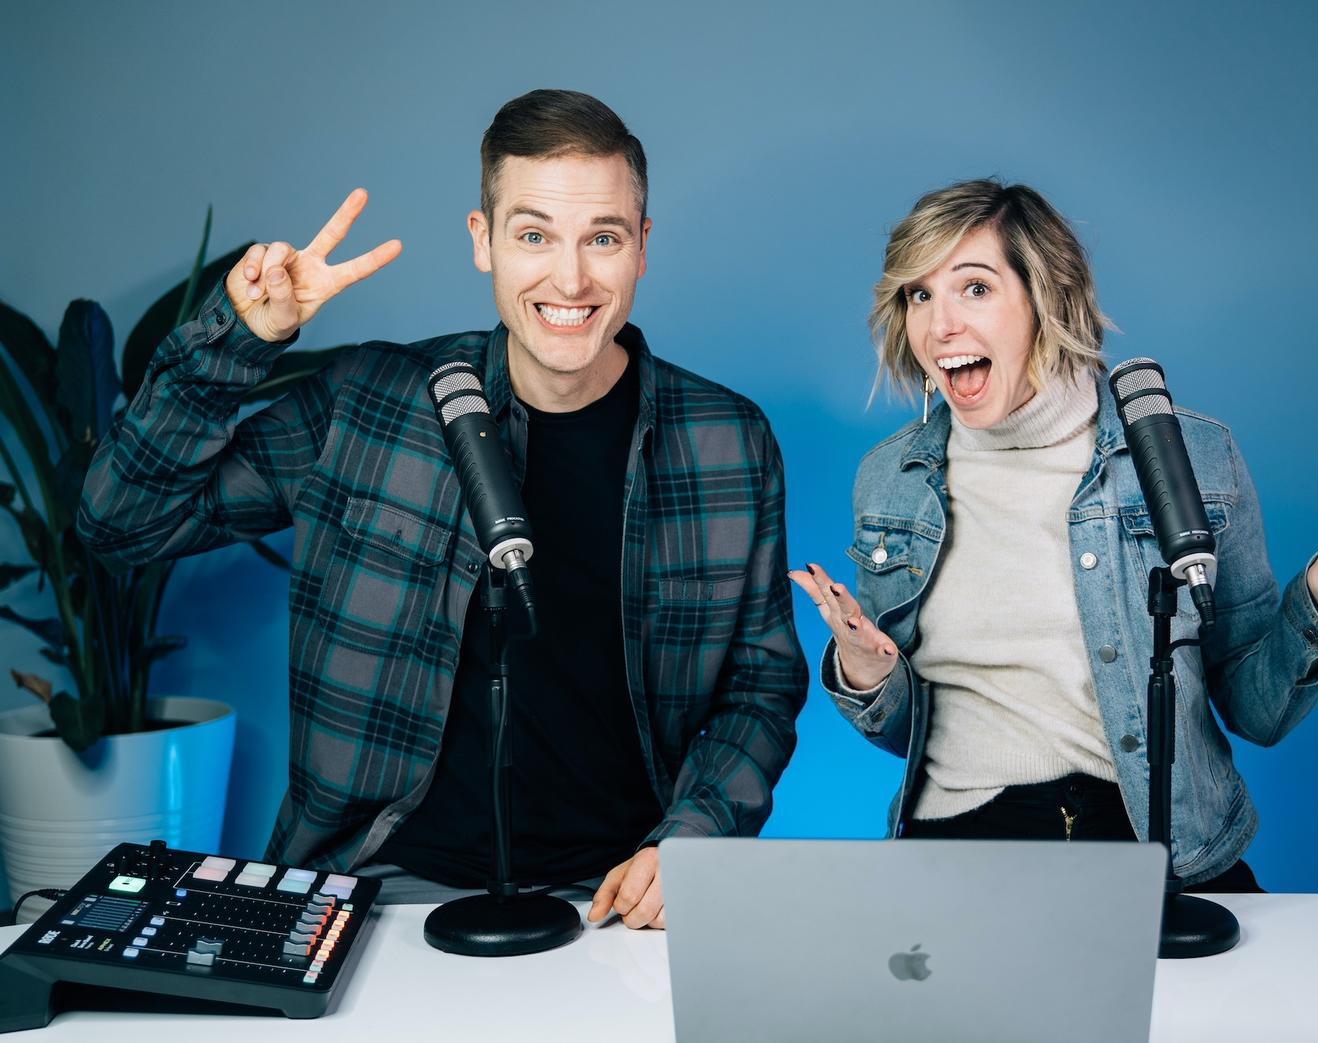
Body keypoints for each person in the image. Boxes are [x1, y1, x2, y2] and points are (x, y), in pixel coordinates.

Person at [79, 90, 807, 929]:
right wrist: (239, 342)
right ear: (481, 240)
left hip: (620, 900)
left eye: (602, 238)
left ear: (642, 246)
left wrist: (693, 838)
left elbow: (761, 684)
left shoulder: (727, 439)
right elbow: (119, 521)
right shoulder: (369, 399)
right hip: (374, 888)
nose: (570, 279)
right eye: (533, 235)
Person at [789, 178, 1318, 890]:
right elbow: (904, 733)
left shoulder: (1190, 458)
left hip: (1158, 851)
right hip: (956, 854)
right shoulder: (892, 480)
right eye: (919, 295)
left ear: (1049, 298)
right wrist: (867, 673)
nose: (939, 326)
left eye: (975, 288)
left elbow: (1256, 710)